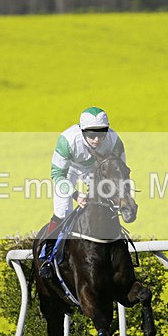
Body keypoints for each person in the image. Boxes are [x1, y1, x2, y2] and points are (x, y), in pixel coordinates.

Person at [39, 106, 127, 279]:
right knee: (63, 211)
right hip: (69, 171)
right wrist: (76, 195)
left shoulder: (115, 141)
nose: (96, 139)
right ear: (81, 131)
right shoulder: (67, 140)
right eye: (91, 135)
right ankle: (47, 257)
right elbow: (57, 174)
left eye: (101, 134)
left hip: (97, 171)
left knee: (107, 207)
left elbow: (120, 172)